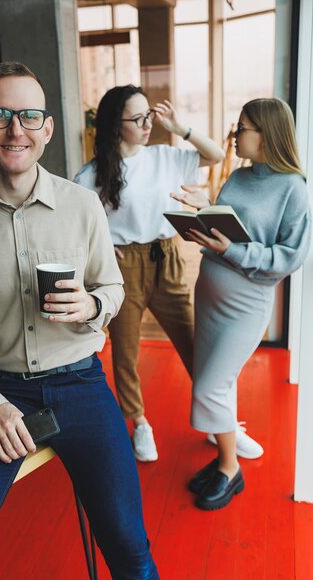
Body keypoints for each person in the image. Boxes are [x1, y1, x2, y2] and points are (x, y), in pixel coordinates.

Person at [0, 62, 160, 580]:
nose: (16, 130)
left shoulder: (83, 205)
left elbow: (112, 286)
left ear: (47, 129)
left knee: (127, 539)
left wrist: (92, 306)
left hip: (80, 382)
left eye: (29, 116)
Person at [173, 98, 311, 510]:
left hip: (246, 303)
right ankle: (222, 458)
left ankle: (230, 469)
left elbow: (288, 258)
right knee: (218, 380)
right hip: (211, 293)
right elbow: (226, 228)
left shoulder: (293, 189)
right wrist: (201, 218)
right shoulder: (237, 175)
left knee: (210, 385)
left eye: (242, 127)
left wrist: (232, 249)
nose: (233, 135)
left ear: (266, 135)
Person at [74, 84, 225, 462]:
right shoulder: (90, 176)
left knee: (195, 344)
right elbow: (76, 228)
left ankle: (217, 420)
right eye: (138, 118)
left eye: (150, 116)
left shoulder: (165, 156)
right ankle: (139, 422)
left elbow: (217, 154)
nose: (147, 124)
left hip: (167, 258)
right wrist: (100, 247)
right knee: (125, 353)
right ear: (115, 124)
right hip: (122, 269)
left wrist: (179, 126)